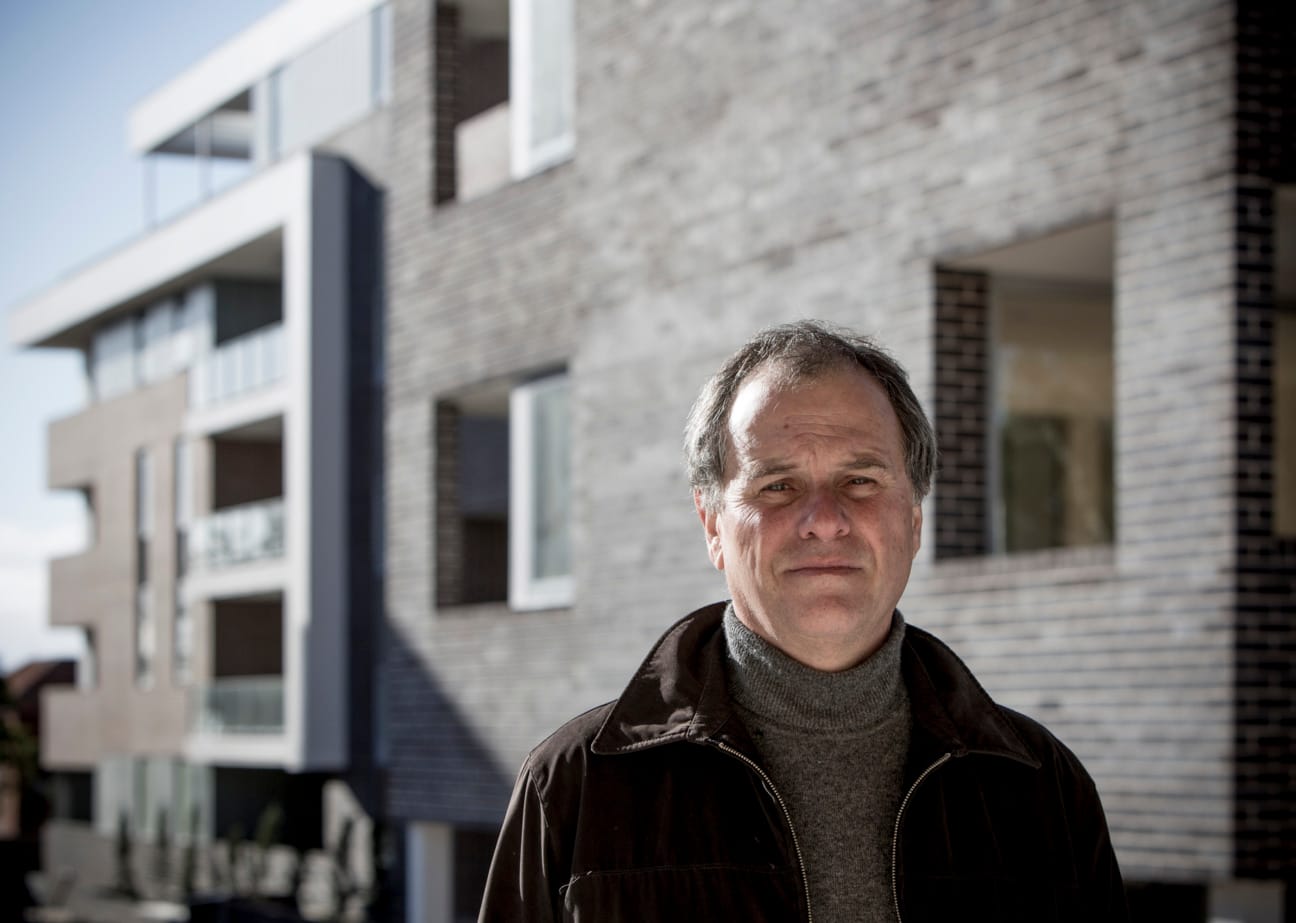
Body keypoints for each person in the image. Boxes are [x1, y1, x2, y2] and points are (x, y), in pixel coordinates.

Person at [478, 320, 1129, 922]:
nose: (824, 518)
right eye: (777, 486)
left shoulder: (1042, 791)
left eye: (861, 481)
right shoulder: (572, 790)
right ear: (711, 525)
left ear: (915, 517)